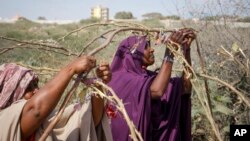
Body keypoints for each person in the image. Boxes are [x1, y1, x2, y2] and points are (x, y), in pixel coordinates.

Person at [108, 29, 195, 141]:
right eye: (146, 47)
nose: (152, 49)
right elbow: (157, 91)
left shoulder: (148, 78)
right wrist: (169, 53)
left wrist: (186, 50)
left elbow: (186, 88)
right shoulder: (121, 79)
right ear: (132, 54)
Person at [0, 55, 113, 141]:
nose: (36, 91)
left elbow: (90, 119)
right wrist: (71, 69)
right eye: (28, 88)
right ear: (9, 92)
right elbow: (35, 110)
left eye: (36, 85)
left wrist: (99, 85)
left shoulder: (47, 120)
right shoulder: (5, 121)